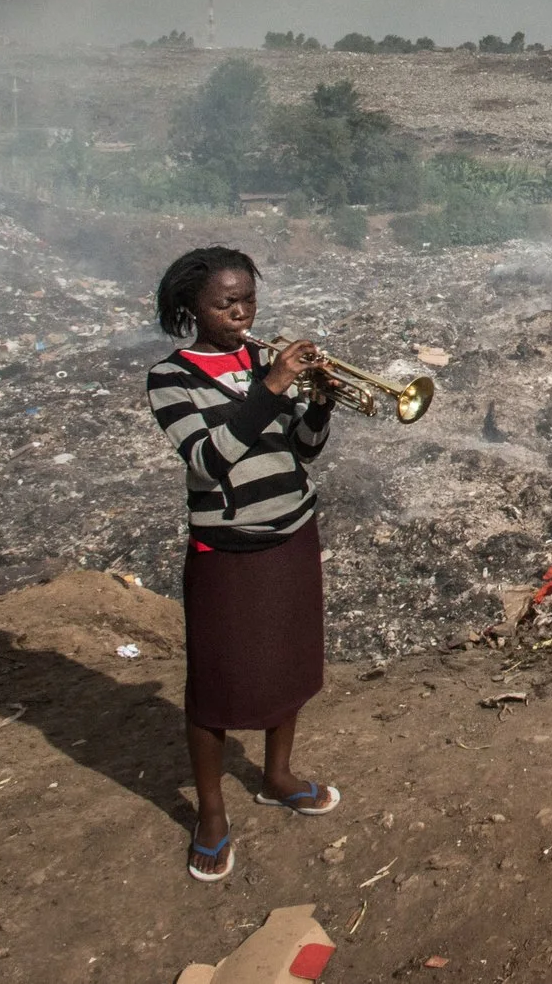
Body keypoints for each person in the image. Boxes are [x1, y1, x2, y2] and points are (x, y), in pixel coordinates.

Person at [147, 245, 343, 883]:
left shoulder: (264, 359)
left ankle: (278, 773)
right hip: (227, 546)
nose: (241, 312)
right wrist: (273, 387)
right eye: (225, 303)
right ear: (191, 309)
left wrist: (320, 404)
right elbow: (207, 460)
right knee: (215, 681)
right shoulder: (171, 378)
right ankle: (209, 813)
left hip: (293, 530)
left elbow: (303, 451)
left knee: (289, 659)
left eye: (248, 299)